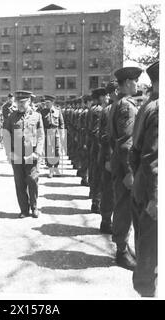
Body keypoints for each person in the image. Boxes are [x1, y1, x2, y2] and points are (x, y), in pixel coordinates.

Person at [108, 66, 142, 270]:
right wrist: (130, 171)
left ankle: (123, 247)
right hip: (124, 163)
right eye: (135, 81)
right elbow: (126, 142)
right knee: (124, 207)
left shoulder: (117, 103)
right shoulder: (127, 106)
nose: (137, 85)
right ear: (128, 83)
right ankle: (121, 252)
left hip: (119, 161)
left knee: (123, 206)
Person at [131, 61, 158, 297]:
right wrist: (156, 198)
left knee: (145, 250)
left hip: (143, 186)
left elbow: (134, 153)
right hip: (154, 194)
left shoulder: (147, 106)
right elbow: (154, 160)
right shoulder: (158, 109)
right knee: (150, 257)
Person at [4, 90, 45, 218]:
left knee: (32, 180)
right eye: (18, 102)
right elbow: (6, 135)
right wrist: (9, 153)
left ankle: (34, 207)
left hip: (31, 155)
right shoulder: (11, 117)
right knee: (19, 183)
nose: (20, 104)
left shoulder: (37, 116)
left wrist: (37, 153)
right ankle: (24, 209)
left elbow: (41, 136)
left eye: (23, 102)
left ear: (29, 101)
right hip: (16, 155)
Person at [98, 81, 118, 234]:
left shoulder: (111, 109)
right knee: (109, 191)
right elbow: (104, 137)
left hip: (119, 157)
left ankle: (110, 221)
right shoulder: (109, 110)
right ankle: (106, 221)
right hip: (112, 158)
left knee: (112, 191)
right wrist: (108, 159)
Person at [39, 94, 65, 178]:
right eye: (46, 103)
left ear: (52, 102)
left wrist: (62, 133)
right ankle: (50, 170)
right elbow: (41, 125)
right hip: (47, 132)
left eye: (48, 103)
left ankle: (56, 168)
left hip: (56, 132)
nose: (47, 104)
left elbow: (61, 123)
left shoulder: (58, 111)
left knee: (57, 151)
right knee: (49, 151)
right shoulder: (43, 112)